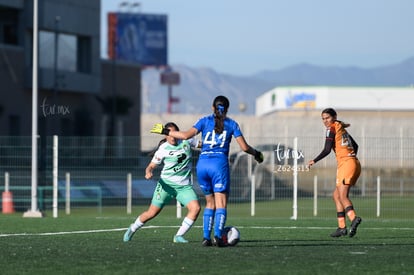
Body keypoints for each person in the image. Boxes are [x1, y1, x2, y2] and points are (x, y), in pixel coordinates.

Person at [150, 95, 264, 247]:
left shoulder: (204, 120)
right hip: (219, 166)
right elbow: (244, 147)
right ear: (227, 109)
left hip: (202, 166)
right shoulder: (232, 124)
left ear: (212, 108)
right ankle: (218, 236)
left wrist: (165, 131)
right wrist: (256, 153)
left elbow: (184, 135)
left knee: (210, 203)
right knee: (221, 203)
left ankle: (206, 237)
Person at [123, 122, 201, 243]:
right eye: (169, 134)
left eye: (174, 133)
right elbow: (150, 166)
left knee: (195, 208)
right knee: (152, 213)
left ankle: (178, 236)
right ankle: (132, 228)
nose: (172, 136)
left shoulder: (187, 141)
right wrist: (148, 172)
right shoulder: (163, 149)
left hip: (184, 187)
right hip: (166, 186)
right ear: (165, 135)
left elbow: (203, 145)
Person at [307, 108, 362, 238]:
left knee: (343, 196)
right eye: (323, 119)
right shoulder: (341, 128)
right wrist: (350, 158)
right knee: (336, 196)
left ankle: (354, 218)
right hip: (353, 163)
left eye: (327, 118)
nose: (325, 121)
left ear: (334, 116)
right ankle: (342, 227)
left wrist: (314, 160)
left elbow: (326, 150)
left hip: (347, 164)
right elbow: (356, 146)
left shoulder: (331, 128)